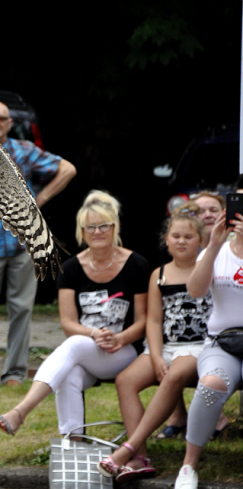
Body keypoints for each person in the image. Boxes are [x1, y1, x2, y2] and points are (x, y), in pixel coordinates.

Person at [0, 190, 149, 436]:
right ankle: (72, 442)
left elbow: (143, 321)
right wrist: (94, 333)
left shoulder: (136, 264)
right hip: (87, 347)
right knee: (69, 372)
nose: (97, 232)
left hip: (124, 351)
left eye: (103, 226)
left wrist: (120, 338)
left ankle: (21, 411)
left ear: (115, 227)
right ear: (82, 232)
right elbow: (68, 323)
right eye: (90, 227)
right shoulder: (72, 268)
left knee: (73, 347)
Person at [0, 100, 76, 389]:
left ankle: (14, 374)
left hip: (24, 246)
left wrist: (39, 201)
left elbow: (68, 169)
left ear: (10, 123)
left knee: (21, 311)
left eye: (1, 118)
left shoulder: (25, 151)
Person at [96, 205, 210, 482]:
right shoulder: (159, 275)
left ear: (201, 241)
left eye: (189, 237)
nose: (181, 241)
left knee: (175, 374)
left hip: (199, 347)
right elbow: (154, 322)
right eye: (176, 236)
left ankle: (128, 448)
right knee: (125, 380)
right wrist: (157, 355)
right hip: (164, 347)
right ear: (166, 240)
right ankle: (140, 458)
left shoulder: (209, 270)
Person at [172, 182, 243, 489]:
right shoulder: (216, 251)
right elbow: (196, 290)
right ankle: (189, 466)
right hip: (222, 343)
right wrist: (213, 246)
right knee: (212, 384)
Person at [157, 191, 228, 440]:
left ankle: (215, 415)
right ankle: (178, 414)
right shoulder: (183, 250)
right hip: (180, 336)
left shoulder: (233, 249)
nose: (207, 215)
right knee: (171, 348)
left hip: (217, 334)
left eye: (213, 210)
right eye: (199, 211)